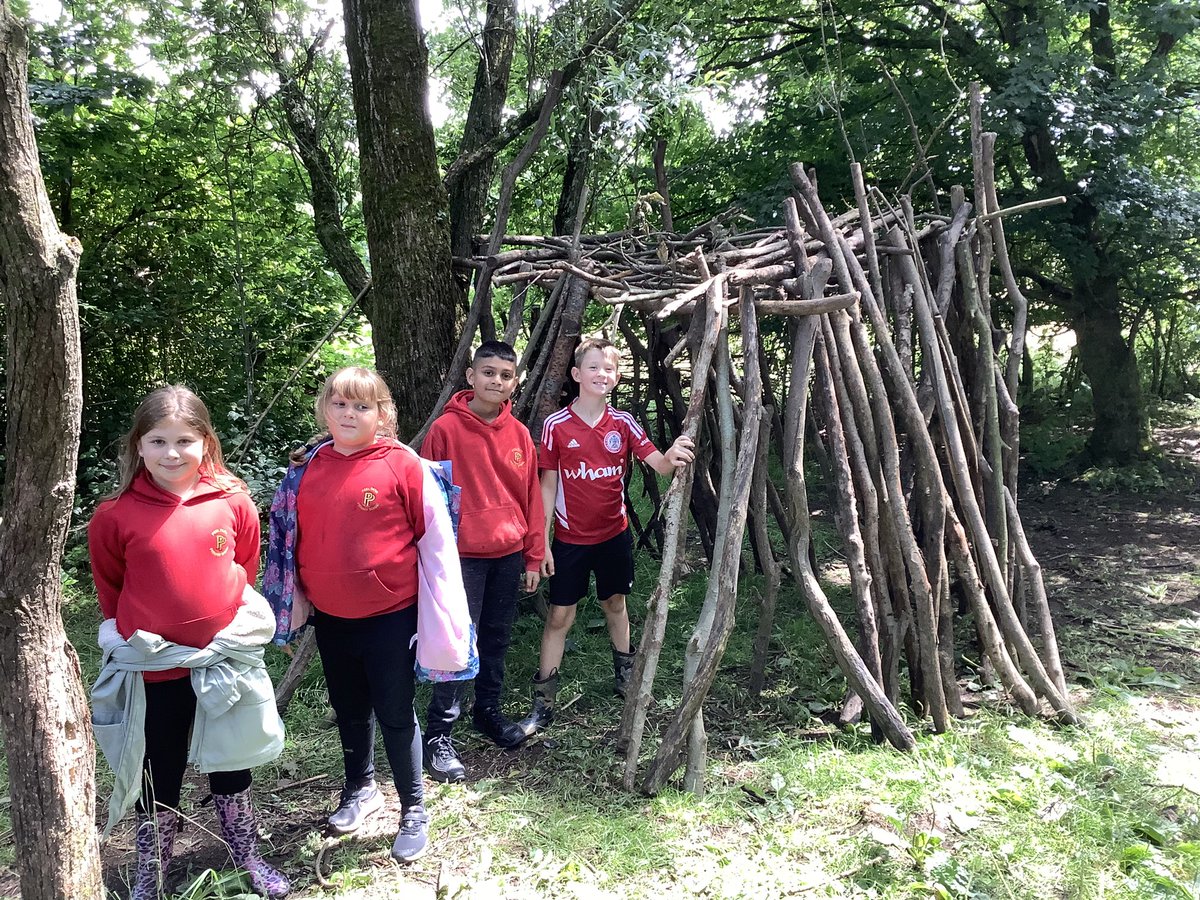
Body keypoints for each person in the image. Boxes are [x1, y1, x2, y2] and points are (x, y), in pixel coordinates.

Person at [88, 386, 289, 900]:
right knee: (159, 766)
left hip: (222, 663)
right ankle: (150, 870)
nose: (171, 454)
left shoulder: (233, 501)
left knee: (230, 763)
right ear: (137, 445)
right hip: (155, 669)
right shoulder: (115, 514)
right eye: (157, 441)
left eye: (184, 440)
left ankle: (246, 853)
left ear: (206, 442)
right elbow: (111, 588)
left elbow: (242, 569)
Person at [269, 367, 466, 863]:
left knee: (396, 712)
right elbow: (288, 542)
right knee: (349, 708)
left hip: (389, 616)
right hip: (332, 618)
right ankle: (360, 787)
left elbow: (437, 543)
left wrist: (444, 618)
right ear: (324, 410)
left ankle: (413, 807)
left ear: (383, 414)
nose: (349, 414)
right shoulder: (307, 468)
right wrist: (293, 606)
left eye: (362, 406)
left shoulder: (403, 466)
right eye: (339, 404)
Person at [525, 338, 694, 731]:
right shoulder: (556, 426)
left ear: (616, 377)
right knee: (559, 615)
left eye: (609, 369)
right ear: (576, 374)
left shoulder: (623, 423)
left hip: (613, 535)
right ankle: (544, 699)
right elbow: (547, 487)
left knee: (615, 603)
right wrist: (543, 541)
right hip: (570, 540)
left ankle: (626, 676)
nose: (602, 374)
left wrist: (675, 453)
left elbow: (661, 465)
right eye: (594, 367)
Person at [419, 340, 545, 783]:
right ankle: (439, 734)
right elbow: (428, 501)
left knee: (495, 636)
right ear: (471, 377)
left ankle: (487, 711)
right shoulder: (445, 431)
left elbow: (531, 498)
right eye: (488, 372)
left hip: (508, 554)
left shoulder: (519, 435)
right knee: (456, 643)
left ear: (515, 382)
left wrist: (534, 555)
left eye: (505, 375)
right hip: (461, 558)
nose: (496, 381)